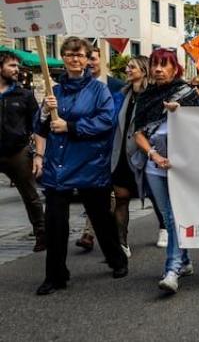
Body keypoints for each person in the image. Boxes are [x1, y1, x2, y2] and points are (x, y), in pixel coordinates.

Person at [34, 37, 128, 295]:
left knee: (101, 219)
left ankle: (117, 259)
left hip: (89, 164)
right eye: (69, 54)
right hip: (58, 166)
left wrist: (71, 126)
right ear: (63, 58)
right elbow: (41, 127)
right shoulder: (55, 92)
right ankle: (55, 275)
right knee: (55, 224)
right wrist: (44, 111)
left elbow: (106, 121)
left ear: (88, 60)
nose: (75, 59)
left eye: (80, 55)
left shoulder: (100, 91)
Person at [134, 48, 199, 294]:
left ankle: (171, 269)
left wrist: (179, 112)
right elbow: (137, 132)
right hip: (155, 165)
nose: (159, 70)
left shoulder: (188, 94)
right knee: (167, 214)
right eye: (155, 65)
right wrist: (154, 155)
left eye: (164, 65)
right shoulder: (146, 96)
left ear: (176, 68)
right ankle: (184, 261)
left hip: (182, 165)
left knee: (174, 217)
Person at [110, 55, 166, 258]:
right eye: (127, 67)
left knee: (155, 195)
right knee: (121, 198)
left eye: (132, 67)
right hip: (122, 154)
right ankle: (121, 242)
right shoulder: (122, 95)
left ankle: (164, 227)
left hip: (146, 154)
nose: (127, 69)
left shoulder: (153, 96)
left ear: (143, 70)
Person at [76, 46, 126, 252]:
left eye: (93, 58)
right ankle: (92, 231)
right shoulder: (79, 86)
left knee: (110, 192)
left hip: (111, 144)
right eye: (87, 59)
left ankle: (96, 232)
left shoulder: (117, 86)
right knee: (91, 189)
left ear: (102, 60)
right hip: (86, 145)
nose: (90, 63)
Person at [0, 51, 45, 252]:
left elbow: (37, 126)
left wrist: (38, 155)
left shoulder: (24, 95)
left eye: (17, 66)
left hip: (17, 152)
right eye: (11, 66)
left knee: (31, 196)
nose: (16, 70)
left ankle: (42, 234)